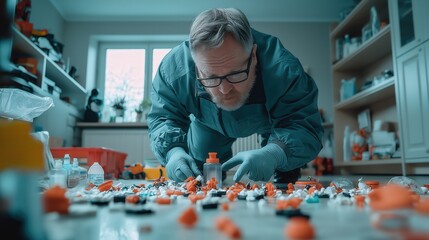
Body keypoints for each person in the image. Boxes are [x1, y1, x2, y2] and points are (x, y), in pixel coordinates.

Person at [147, 8, 323, 184]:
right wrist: (173, 151)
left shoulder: (283, 69)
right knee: (200, 175)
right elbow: (164, 118)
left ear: (253, 56)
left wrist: (275, 152)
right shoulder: (174, 71)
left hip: (271, 120)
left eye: (235, 74)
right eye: (211, 77)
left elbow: (301, 122)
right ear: (196, 66)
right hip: (209, 124)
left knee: (285, 168)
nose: (224, 90)